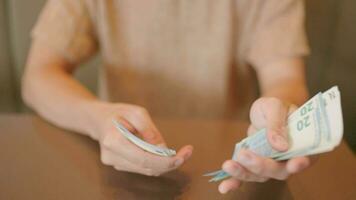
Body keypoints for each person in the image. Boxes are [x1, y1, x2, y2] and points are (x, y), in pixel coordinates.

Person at [22, 0, 311, 194]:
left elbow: (286, 80)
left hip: (232, 171)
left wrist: (277, 118)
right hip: (115, 168)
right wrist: (98, 120)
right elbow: (38, 75)